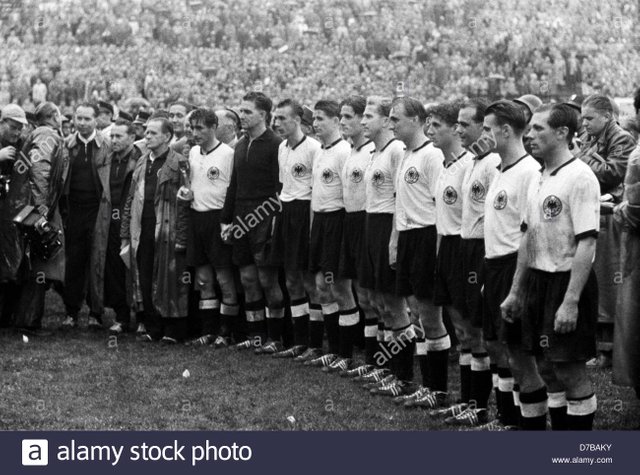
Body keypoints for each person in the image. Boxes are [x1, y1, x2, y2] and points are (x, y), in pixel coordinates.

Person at [502, 103, 600, 431]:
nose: (529, 135)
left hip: (567, 281)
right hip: (538, 281)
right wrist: (516, 291)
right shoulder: (538, 176)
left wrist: (571, 301)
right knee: (546, 366)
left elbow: (587, 242)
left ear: (562, 133)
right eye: (529, 128)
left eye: (538, 129)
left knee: (569, 370)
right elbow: (527, 236)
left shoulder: (580, 177)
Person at [481, 100, 541, 430]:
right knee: (500, 347)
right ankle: (508, 419)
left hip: (513, 266)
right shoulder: (499, 168)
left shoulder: (529, 172)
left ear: (505, 131)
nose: (484, 135)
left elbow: (528, 235)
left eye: (488, 129)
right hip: (494, 265)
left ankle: (529, 427)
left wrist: (516, 287)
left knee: (520, 355)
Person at [440, 98, 501, 426]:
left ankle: (482, 409)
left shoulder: (493, 163)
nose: (460, 129)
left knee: (480, 332)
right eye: (458, 124)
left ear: (484, 127)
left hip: (483, 252)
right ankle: (470, 404)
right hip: (463, 248)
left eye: (466, 124)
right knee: (465, 329)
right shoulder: (472, 162)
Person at [386, 96, 446, 398]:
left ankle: (437, 390)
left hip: (426, 236)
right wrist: (395, 240)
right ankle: (417, 382)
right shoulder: (405, 154)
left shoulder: (432, 156)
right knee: (414, 312)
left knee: (430, 316)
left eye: (395, 119)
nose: (390, 124)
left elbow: (440, 207)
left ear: (416, 120)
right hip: (408, 237)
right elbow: (401, 201)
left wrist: (435, 252)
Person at [355, 96, 414, 394]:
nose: (363, 121)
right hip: (370, 224)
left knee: (394, 303)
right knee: (377, 302)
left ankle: (403, 376)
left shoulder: (395, 151)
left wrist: (393, 239)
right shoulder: (372, 151)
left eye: (368, 116)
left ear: (384, 120)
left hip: (387, 226)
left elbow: (399, 199)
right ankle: (386, 368)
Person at [220, 92, 285, 352]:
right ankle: (256, 335)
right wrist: (227, 220)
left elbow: (280, 189)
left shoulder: (275, 144)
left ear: (263, 114)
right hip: (240, 218)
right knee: (247, 278)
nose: (242, 116)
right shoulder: (240, 145)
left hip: (263, 217)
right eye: (241, 111)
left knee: (268, 279)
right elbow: (233, 185)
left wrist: (267, 219)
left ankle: (277, 337)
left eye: (247, 111)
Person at [578, 95, 636, 368]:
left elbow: (615, 173)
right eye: (583, 118)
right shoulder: (591, 138)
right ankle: (597, 347)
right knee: (594, 283)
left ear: (606, 116)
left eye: (589, 118)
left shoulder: (622, 139)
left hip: (612, 219)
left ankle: (609, 351)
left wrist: (586, 159)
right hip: (593, 213)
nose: (584, 123)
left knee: (608, 284)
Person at [121, 117, 190, 343]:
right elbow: (130, 199)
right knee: (145, 275)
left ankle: (173, 329)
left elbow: (185, 201)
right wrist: (125, 233)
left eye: (152, 133)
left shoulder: (179, 163)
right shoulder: (141, 162)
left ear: (167, 137)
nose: (147, 136)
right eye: (146, 133)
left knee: (169, 277)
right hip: (142, 228)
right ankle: (153, 327)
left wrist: (181, 235)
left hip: (167, 229)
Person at [304, 99, 360, 369]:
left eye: (321, 119)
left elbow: (348, 196)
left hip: (338, 221)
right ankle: (334, 350)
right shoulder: (319, 151)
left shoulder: (343, 152)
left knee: (340, 287)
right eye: (313, 119)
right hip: (321, 223)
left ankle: (346, 355)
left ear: (336, 121)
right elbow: (316, 194)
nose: (315, 124)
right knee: (320, 286)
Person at [178, 108, 238, 347]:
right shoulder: (193, 152)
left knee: (224, 277)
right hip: (196, 218)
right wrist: (187, 193)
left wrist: (229, 220)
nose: (195, 133)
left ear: (214, 128)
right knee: (203, 279)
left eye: (200, 128)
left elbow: (233, 190)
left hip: (218, 220)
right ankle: (208, 330)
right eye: (192, 128)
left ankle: (227, 331)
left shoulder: (228, 154)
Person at [6, 102, 68, 335]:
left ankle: (21, 318)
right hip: (37, 207)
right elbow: (41, 169)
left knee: (34, 262)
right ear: (55, 116)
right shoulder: (46, 134)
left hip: (30, 205)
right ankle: (29, 321)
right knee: (41, 262)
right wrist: (42, 208)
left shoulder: (40, 134)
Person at [269, 99, 321, 359]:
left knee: (310, 279)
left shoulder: (313, 148)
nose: (277, 123)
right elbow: (282, 188)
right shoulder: (281, 148)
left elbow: (317, 190)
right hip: (286, 212)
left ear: (298, 120)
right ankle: (300, 340)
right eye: (275, 118)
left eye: (282, 118)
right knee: (291, 279)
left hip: (306, 212)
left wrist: (311, 227)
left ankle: (316, 343)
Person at [338, 95, 379, 377]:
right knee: (352, 291)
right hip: (349, 222)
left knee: (370, 296)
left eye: (349, 117)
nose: (343, 122)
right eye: (341, 116)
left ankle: (376, 360)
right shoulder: (350, 151)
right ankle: (352, 355)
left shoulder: (372, 153)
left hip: (367, 222)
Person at [61, 103, 111, 330]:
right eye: (78, 118)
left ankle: (95, 312)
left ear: (96, 120)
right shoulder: (67, 145)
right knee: (74, 261)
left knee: (96, 260)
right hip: (73, 211)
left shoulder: (106, 145)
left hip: (97, 210)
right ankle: (71, 311)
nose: (81, 123)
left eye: (86, 119)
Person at [103, 119, 141, 335]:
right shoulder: (107, 160)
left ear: (132, 137)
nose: (114, 140)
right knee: (115, 269)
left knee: (136, 269)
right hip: (110, 222)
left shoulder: (140, 160)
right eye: (112, 136)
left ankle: (143, 316)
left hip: (133, 220)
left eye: (119, 136)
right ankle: (122, 316)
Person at [0, 104, 28, 327]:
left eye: (20, 129)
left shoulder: (21, 146)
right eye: (13, 127)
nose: (16, 133)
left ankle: (7, 316)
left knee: (13, 263)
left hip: (9, 214)